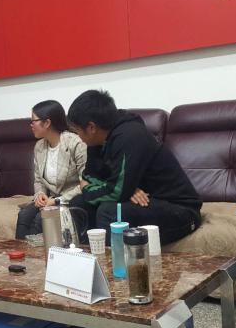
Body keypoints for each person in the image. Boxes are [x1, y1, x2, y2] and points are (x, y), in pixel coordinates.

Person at [67, 89, 202, 244]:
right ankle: (85, 256)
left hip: (180, 209)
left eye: (77, 131)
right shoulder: (96, 141)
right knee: (78, 205)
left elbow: (114, 191)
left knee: (110, 212)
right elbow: (89, 178)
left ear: (91, 127)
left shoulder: (130, 136)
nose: (78, 137)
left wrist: (113, 190)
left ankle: (111, 260)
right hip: (145, 202)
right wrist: (125, 189)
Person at [15, 100, 87, 239]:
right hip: (50, 199)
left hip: (71, 200)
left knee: (40, 219)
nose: (31, 125)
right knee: (24, 215)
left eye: (34, 121)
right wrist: (40, 195)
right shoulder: (39, 147)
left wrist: (56, 201)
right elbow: (38, 180)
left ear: (47, 123)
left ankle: (40, 252)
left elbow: (84, 184)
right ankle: (20, 252)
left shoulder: (75, 144)